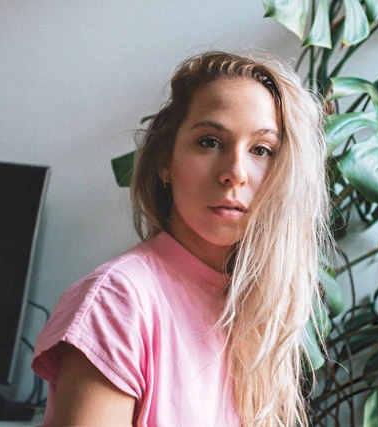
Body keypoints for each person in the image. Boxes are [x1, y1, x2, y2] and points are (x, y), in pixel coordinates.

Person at [32, 51, 331, 426]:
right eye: (210, 142)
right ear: (165, 161)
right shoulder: (117, 303)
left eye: (261, 150)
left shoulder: (255, 308)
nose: (235, 173)